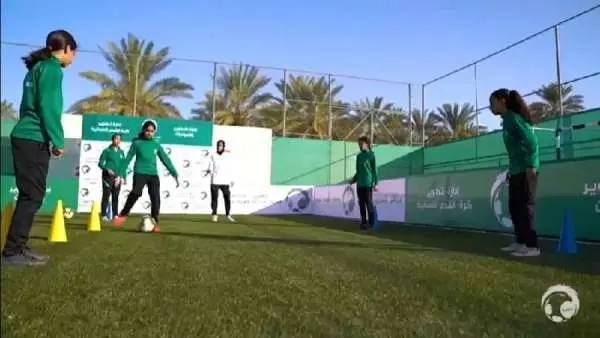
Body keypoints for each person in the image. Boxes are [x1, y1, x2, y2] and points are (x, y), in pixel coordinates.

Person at [1, 30, 77, 267]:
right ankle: (12, 252)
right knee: (32, 195)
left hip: (27, 136)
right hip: (32, 137)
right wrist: (58, 140)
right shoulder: (53, 69)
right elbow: (48, 106)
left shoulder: (39, 67)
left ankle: (19, 247)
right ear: (65, 49)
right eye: (73, 52)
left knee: (31, 194)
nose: (73, 58)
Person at [490, 88, 540, 257]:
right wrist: (511, 170)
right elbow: (515, 149)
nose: (490, 106)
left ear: (502, 101)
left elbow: (532, 143)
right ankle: (520, 242)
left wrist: (531, 166)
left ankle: (532, 246)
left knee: (526, 207)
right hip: (516, 170)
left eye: (493, 102)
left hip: (526, 169)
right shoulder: (506, 120)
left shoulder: (514, 119)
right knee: (514, 207)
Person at [112, 120, 179, 232]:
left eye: (152, 131)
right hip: (140, 172)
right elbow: (127, 159)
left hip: (153, 174)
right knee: (136, 193)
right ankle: (123, 214)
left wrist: (174, 174)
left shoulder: (156, 144)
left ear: (154, 132)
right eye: (147, 131)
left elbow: (165, 159)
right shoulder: (137, 143)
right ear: (143, 130)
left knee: (155, 198)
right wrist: (119, 174)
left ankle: (155, 223)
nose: (149, 133)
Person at [349, 136, 378, 230]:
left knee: (368, 203)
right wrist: (353, 180)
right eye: (359, 144)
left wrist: (376, 183)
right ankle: (363, 222)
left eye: (361, 144)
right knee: (361, 204)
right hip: (360, 184)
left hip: (368, 183)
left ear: (367, 144)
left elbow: (374, 170)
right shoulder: (359, 156)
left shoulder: (371, 155)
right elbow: (358, 171)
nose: (360, 146)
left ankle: (371, 223)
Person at [98, 133, 126, 221]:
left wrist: (123, 177)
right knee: (106, 195)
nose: (117, 141)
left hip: (117, 178)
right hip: (107, 177)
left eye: (119, 139)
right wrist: (107, 169)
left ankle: (115, 215)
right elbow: (100, 163)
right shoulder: (107, 151)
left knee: (115, 196)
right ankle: (103, 215)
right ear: (112, 140)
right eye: (116, 139)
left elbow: (123, 165)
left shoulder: (121, 152)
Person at [208, 140, 235, 223]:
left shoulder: (227, 156)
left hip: (225, 181)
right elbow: (210, 166)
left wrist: (231, 180)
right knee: (214, 199)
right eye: (218, 145)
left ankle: (228, 214)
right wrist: (210, 171)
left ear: (223, 146)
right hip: (215, 181)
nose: (219, 147)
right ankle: (214, 215)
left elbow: (230, 168)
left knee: (227, 198)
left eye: (221, 145)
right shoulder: (213, 155)